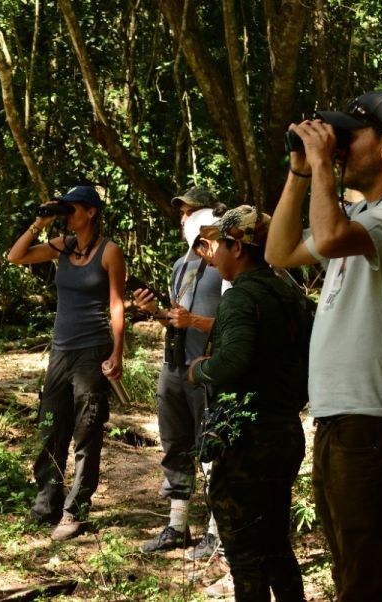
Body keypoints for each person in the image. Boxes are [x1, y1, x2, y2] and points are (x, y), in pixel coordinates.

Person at [265, 92, 382, 601]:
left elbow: (329, 232)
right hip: (343, 420)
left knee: (369, 584)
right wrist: (302, 171)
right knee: (352, 578)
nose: (339, 147)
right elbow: (280, 251)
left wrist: (323, 163)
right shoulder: (362, 216)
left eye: (349, 136)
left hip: (377, 423)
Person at [188, 205, 309, 602]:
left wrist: (201, 371)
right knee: (276, 543)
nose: (214, 254)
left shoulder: (242, 297)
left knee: (245, 555)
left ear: (236, 247)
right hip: (285, 433)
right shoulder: (291, 294)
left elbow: (235, 360)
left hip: (247, 442)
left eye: (217, 244)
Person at [7, 185, 126, 541]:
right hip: (61, 350)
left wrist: (117, 352)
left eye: (71, 208)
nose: (67, 215)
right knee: (50, 425)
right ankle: (47, 503)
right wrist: (40, 222)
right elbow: (17, 256)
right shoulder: (62, 245)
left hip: (93, 349)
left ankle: (76, 511)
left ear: (90, 212)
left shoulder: (110, 251)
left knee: (86, 428)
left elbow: (116, 305)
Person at [132, 188, 225, 555]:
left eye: (189, 211)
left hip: (207, 368)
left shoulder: (225, 262)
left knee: (213, 448)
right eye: (182, 212)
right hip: (174, 366)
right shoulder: (180, 265)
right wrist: (156, 311)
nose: (183, 218)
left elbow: (238, 323)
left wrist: (195, 321)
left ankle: (217, 532)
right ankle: (177, 526)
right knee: (176, 446)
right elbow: (177, 317)